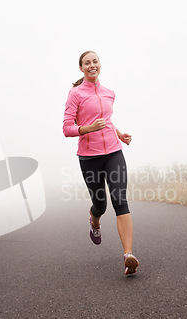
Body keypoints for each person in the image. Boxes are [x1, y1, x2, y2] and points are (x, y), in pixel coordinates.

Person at [62, 50, 139, 276]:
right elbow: (67, 128)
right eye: (87, 63)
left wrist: (119, 133)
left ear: (100, 65)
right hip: (89, 158)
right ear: (81, 68)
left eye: (95, 61)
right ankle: (94, 221)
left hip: (114, 153)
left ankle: (128, 255)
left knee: (120, 200)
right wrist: (87, 129)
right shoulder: (75, 94)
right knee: (101, 205)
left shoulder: (109, 93)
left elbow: (106, 120)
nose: (92, 65)